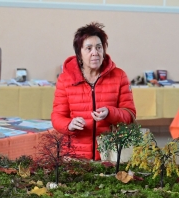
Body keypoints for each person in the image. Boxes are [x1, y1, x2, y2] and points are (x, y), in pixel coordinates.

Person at [51, 22, 136, 160]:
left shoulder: (119, 76)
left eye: (99, 47)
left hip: (110, 155)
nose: (95, 53)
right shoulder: (65, 79)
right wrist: (69, 124)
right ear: (79, 53)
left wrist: (110, 113)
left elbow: (130, 115)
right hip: (75, 155)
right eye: (88, 48)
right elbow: (57, 117)